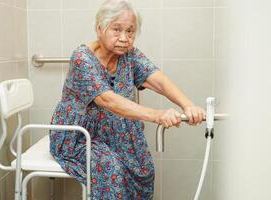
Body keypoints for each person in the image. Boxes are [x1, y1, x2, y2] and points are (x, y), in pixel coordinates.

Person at [49, 0, 205, 199]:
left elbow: (159, 81)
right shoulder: (82, 58)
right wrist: (158, 115)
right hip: (78, 136)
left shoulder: (129, 55)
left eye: (130, 31)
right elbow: (108, 101)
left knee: (143, 167)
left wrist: (188, 105)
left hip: (115, 130)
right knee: (111, 169)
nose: (124, 38)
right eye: (117, 29)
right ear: (99, 28)